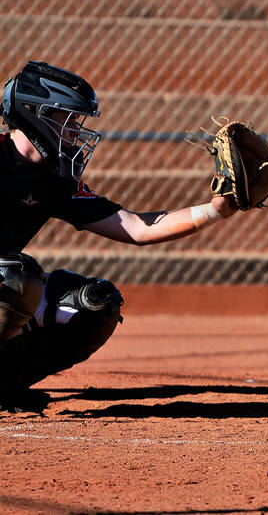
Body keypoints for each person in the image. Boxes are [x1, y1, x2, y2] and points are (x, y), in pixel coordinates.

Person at [0, 60, 243, 412]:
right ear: (37, 115)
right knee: (16, 278)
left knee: (95, 305)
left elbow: (136, 227)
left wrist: (216, 210)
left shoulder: (55, 180)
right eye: (67, 121)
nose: (75, 134)